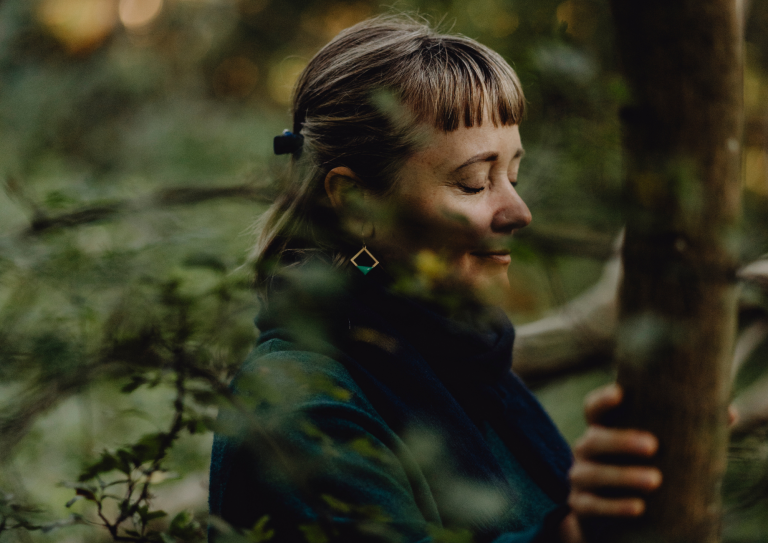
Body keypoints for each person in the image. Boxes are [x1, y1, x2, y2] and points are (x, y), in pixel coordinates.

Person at [208, 15, 662, 543]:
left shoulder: (465, 358)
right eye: (473, 183)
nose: (519, 211)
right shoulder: (298, 405)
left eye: (511, 175)